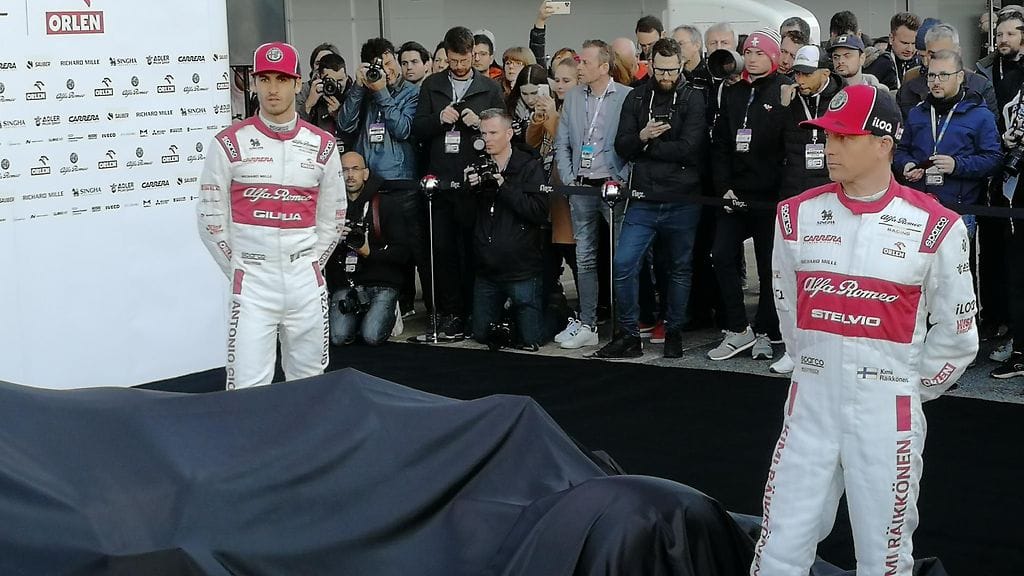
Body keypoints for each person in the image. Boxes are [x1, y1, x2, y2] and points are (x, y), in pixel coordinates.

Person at [752, 83, 978, 576]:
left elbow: (958, 337)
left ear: (883, 143)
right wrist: (814, 365)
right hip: (809, 403)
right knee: (779, 548)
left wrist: (904, 390)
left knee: (884, 558)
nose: (829, 146)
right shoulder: (794, 216)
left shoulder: (937, 225)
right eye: (826, 135)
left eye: (844, 136)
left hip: (887, 415)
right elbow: (787, 308)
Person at [197, 42, 347, 390]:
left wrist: (312, 265)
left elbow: (334, 218)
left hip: (304, 283)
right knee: (247, 386)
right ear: (254, 83)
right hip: (253, 284)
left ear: (298, 84)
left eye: (282, 79)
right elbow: (210, 216)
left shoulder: (323, 145)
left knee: (309, 383)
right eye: (265, 79)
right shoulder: (228, 143)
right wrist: (240, 268)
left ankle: (308, 446)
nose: (273, 89)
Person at [595, 38, 706, 359]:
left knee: (679, 268)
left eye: (671, 69)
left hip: (682, 197)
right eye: (660, 69)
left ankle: (673, 330)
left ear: (682, 65)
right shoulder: (637, 96)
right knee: (624, 263)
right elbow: (621, 145)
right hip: (643, 196)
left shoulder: (694, 98)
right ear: (651, 63)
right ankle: (629, 333)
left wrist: (646, 146)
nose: (666, 75)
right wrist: (642, 137)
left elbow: (689, 148)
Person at [412, 26, 505, 338]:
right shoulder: (432, 85)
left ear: (474, 54)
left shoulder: (489, 87)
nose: (460, 66)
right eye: (453, 60)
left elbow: (502, 130)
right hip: (440, 181)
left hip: (474, 182)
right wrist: (440, 119)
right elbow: (418, 129)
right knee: (442, 250)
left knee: (473, 249)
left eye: (465, 60)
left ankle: (475, 309)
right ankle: (450, 312)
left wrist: (478, 124)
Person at [707, 28, 788, 362]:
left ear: (772, 56)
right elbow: (722, 143)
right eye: (749, 53)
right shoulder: (732, 90)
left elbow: (789, 146)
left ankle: (767, 331)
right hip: (735, 193)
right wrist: (723, 186)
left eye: (760, 53)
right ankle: (738, 328)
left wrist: (784, 194)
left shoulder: (782, 90)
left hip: (769, 196)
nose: (753, 58)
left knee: (770, 268)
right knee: (721, 254)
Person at [553, 39, 632, 350]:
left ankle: (625, 322)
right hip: (582, 186)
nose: (579, 67)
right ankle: (587, 323)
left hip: (613, 186)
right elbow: (562, 143)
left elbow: (631, 143)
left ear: (604, 66)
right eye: (578, 61)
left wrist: (622, 178)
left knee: (621, 257)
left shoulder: (626, 97)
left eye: (584, 62)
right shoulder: (573, 97)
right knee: (584, 257)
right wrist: (571, 181)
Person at [338, 38, 424, 319]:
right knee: (374, 241)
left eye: (389, 63)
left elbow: (402, 129)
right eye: (378, 66)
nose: (385, 70)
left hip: (401, 179)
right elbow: (345, 124)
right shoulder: (363, 91)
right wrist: (359, 88)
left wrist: (382, 92)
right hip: (370, 180)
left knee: (408, 245)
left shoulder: (411, 92)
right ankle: (384, 301)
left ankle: (412, 304)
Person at [895, 49, 1002, 239]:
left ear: (960, 77)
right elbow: (901, 151)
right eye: (932, 75)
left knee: (954, 268)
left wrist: (957, 165)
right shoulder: (917, 113)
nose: (936, 81)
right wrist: (906, 164)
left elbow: (993, 160)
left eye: (944, 75)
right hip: (918, 207)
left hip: (958, 211)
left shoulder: (980, 115)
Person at [466, 109, 550, 350]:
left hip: (522, 268)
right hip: (487, 270)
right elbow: (464, 218)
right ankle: (506, 319)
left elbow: (538, 211)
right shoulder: (477, 164)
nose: (487, 139)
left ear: (509, 133)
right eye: (483, 133)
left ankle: (557, 310)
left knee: (531, 338)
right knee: (481, 335)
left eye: (493, 132)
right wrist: (469, 189)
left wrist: (504, 186)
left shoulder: (529, 166)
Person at [326, 152, 411, 346]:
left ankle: (390, 310)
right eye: (344, 170)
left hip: (382, 282)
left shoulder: (386, 204)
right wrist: (332, 239)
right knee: (338, 338)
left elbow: (404, 252)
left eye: (355, 169)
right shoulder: (330, 207)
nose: (350, 175)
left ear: (366, 173)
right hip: (348, 284)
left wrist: (370, 252)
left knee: (371, 337)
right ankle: (361, 317)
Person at [528, 57, 579, 307]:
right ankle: (549, 307)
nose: (560, 86)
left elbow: (567, 140)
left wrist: (551, 115)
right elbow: (531, 142)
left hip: (567, 196)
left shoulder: (578, 108)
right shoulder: (553, 106)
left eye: (566, 81)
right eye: (556, 80)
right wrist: (538, 117)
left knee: (575, 256)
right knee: (546, 259)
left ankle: (594, 310)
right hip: (546, 193)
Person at [898, 23, 997, 119]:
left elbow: (990, 130)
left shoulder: (981, 88)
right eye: (932, 54)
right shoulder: (908, 91)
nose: (938, 60)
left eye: (944, 54)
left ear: (958, 53)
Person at [864, 12, 921, 91]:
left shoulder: (922, 64)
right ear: (891, 38)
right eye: (904, 43)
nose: (910, 49)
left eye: (914, 43)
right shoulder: (879, 64)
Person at [672, 25, 712, 89]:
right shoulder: (672, 74)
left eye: (680, 44)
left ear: (697, 45)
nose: (675, 49)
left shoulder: (710, 74)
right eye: (673, 44)